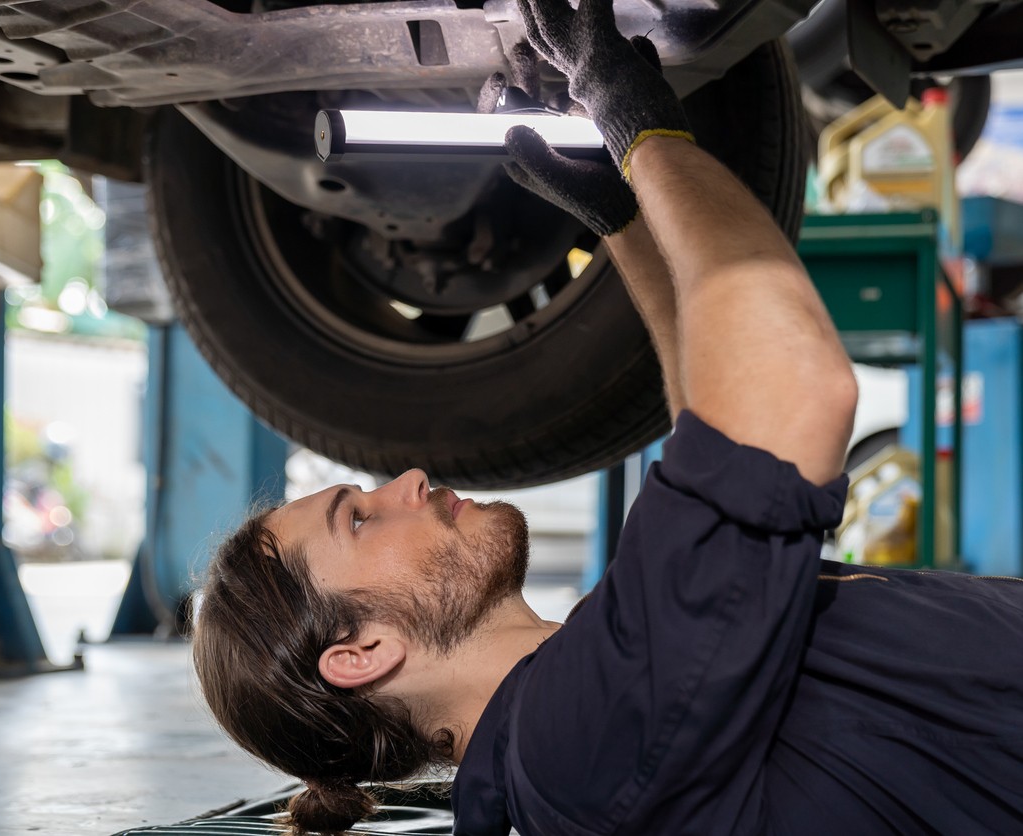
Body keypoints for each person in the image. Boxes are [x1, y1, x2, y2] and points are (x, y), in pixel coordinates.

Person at [191, 0, 1023, 832]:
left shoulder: (585, 701)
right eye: (362, 519)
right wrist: (644, 133)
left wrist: (620, 222)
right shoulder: (575, 744)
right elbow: (794, 386)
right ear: (362, 653)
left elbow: (719, 439)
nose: (405, 481)